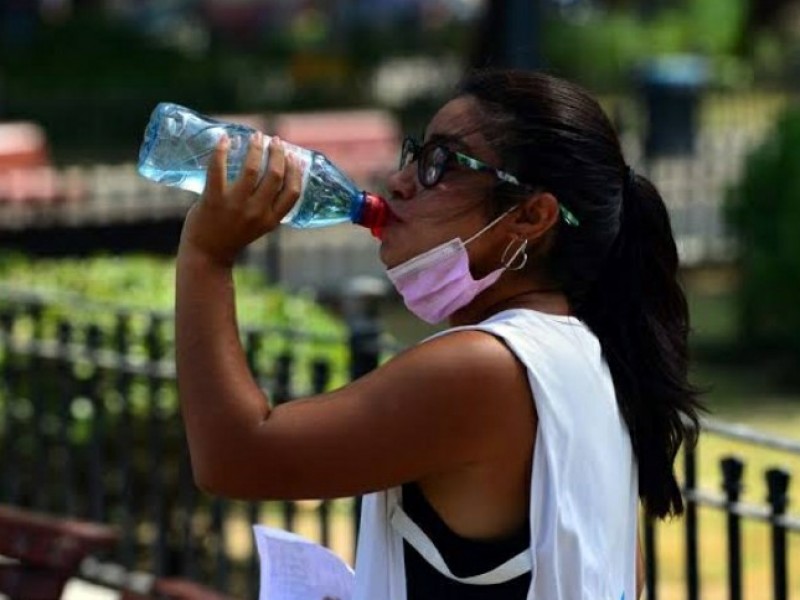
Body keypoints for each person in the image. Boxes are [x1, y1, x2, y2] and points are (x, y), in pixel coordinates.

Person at [175, 69, 702, 600]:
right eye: (415, 154)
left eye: (440, 164)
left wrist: (207, 257)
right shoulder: (588, 356)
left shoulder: (484, 367)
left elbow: (235, 459)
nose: (400, 182)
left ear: (530, 216)